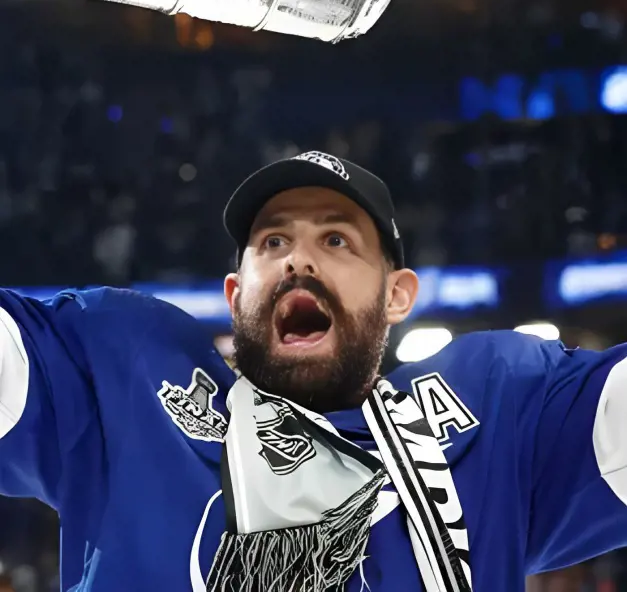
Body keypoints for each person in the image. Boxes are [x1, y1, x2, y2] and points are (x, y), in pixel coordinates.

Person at [0, 150, 626, 592]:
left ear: (396, 295)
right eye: (273, 243)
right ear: (235, 293)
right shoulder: (129, 381)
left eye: (336, 240)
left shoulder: (497, 410)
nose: (298, 259)